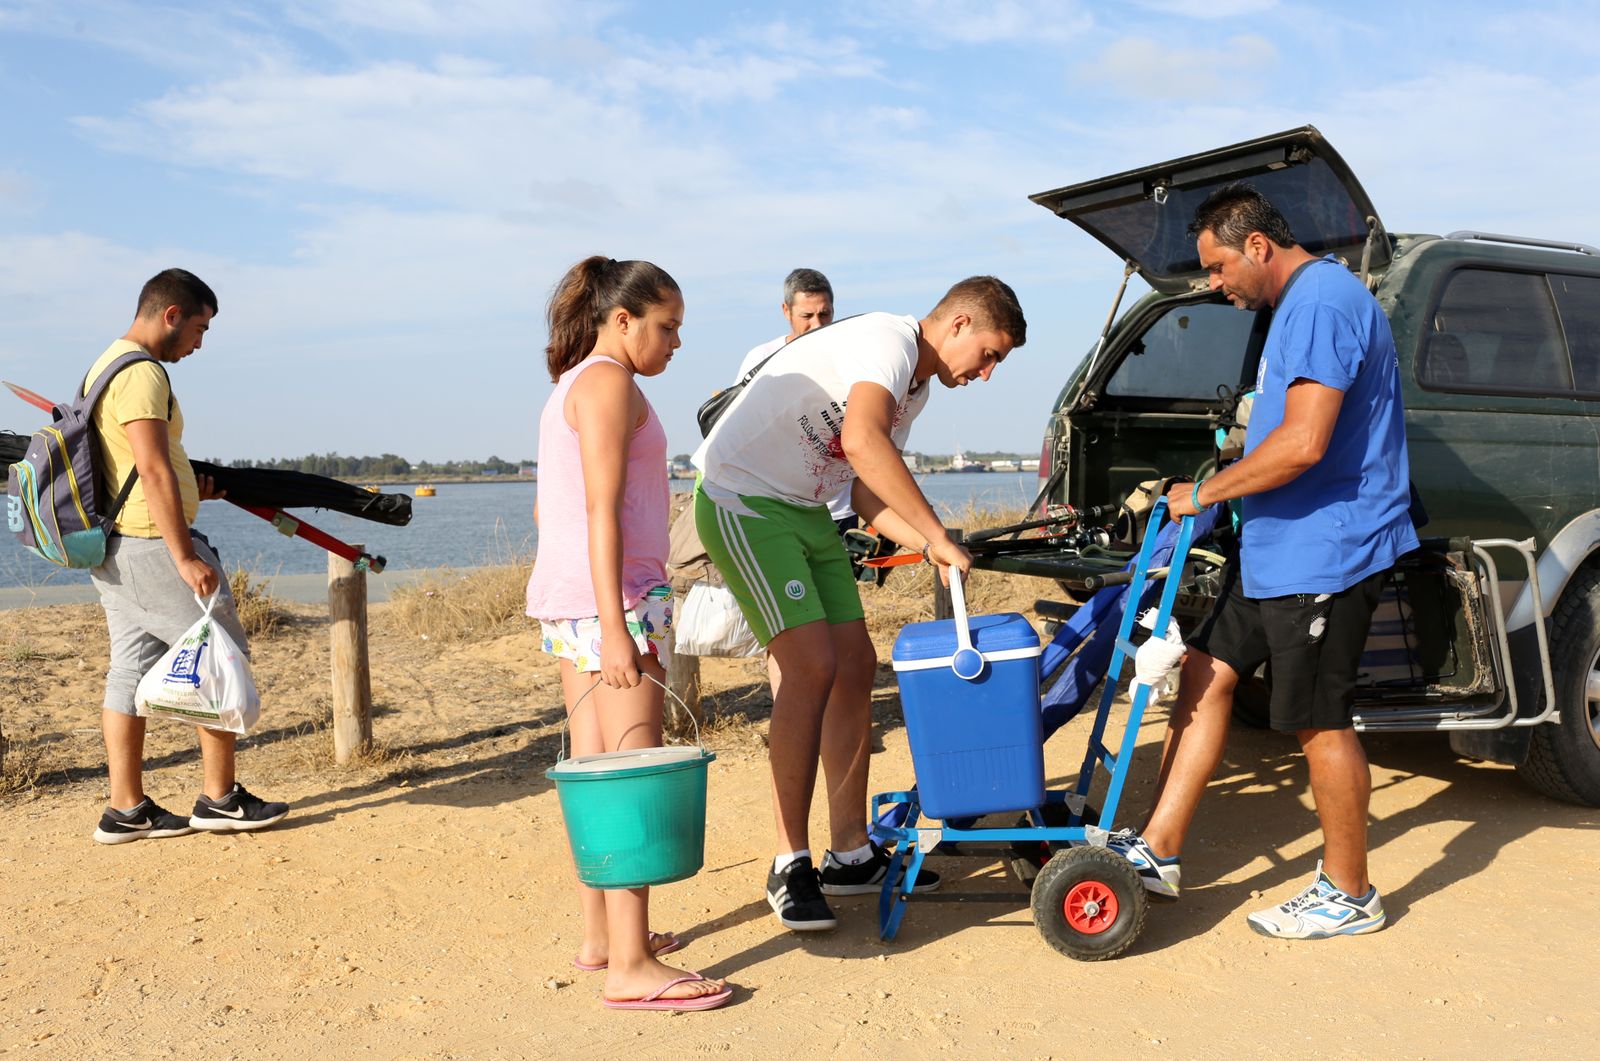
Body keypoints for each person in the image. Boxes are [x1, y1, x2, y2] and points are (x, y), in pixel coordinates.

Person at [1110, 183, 1418, 939]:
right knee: (1207, 672)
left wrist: (1207, 490)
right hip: (1280, 544)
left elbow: (1308, 443)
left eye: (1218, 268)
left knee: (1319, 720)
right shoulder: (1301, 306)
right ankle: (1158, 849)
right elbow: (1288, 430)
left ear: (1257, 246)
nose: (1216, 284)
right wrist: (1216, 479)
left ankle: (1350, 892)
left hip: (1329, 549)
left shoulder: (1319, 302)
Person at [692, 276, 1027, 931]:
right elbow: (864, 443)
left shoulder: (917, 386)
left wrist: (932, 544)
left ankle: (849, 851)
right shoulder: (889, 342)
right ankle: (788, 863)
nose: (987, 373)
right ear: (958, 323)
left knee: (853, 663)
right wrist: (933, 531)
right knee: (811, 666)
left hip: (806, 510)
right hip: (741, 500)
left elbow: (868, 494)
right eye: (990, 354)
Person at [525, 256, 732, 1011]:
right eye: (666, 326)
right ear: (622, 319)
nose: (675, 342)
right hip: (613, 603)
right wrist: (617, 627)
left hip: (576, 600)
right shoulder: (610, 383)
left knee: (592, 768)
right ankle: (631, 967)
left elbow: (553, 510)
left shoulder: (570, 386)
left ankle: (604, 939)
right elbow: (600, 510)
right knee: (633, 772)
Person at [88, 268, 290, 845]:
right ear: (171, 315)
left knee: (129, 668)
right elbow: (150, 467)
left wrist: (188, 487)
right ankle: (219, 799)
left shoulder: (104, 365)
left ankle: (126, 809)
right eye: (199, 329)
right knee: (220, 654)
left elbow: (134, 464)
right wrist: (184, 555)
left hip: (117, 545)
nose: (199, 343)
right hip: (154, 544)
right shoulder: (143, 373)